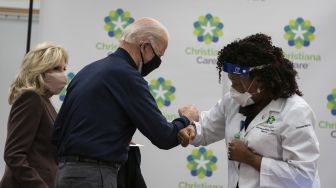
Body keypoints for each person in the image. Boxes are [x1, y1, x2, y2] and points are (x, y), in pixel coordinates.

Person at [52, 17, 195, 188]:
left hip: (64, 174)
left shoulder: (87, 71)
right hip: (95, 176)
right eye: (158, 56)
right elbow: (163, 136)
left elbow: (57, 132)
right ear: (144, 46)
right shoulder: (128, 77)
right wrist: (186, 119)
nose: (157, 63)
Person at [178, 33, 320, 188]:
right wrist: (192, 130)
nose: (233, 89)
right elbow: (207, 128)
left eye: (238, 83)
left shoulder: (295, 112)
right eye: (231, 82)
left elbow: (303, 176)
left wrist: (251, 159)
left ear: (260, 79)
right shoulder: (233, 101)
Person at [0, 43, 68, 188]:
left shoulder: (45, 102)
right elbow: (14, 154)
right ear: (39, 70)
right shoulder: (31, 98)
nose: (63, 74)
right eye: (56, 68)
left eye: (64, 69)